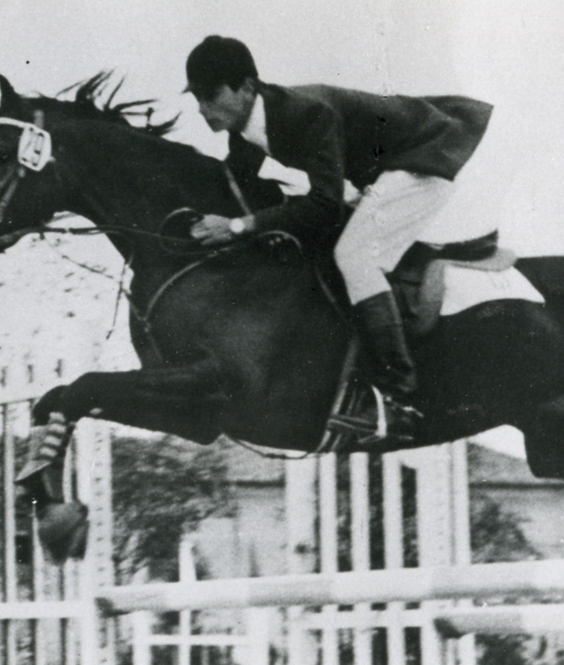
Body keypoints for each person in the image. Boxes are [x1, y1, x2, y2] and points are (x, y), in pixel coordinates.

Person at [184, 35, 493, 443]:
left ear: (246, 88)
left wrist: (240, 227)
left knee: (355, 255)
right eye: (197, 98)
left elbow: (324, 205)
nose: (203, 109)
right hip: (383, 170)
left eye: (211, 95)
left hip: (424, 157)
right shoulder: (244, 134)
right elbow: (235, 188)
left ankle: (399, 398)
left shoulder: (305, 113)